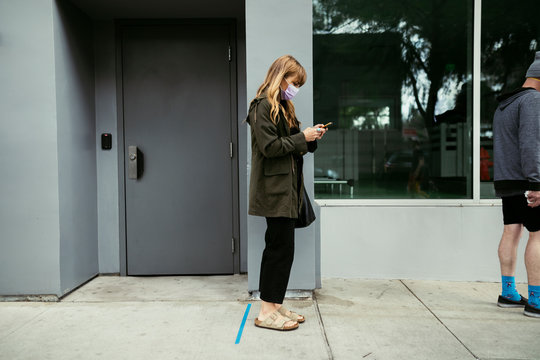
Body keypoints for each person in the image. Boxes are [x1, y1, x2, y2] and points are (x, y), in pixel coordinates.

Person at [245, 55, 327, 331]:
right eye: (294, 83)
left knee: (284, 249)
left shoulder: (282, 106)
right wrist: (301, 137)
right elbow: (270, 147)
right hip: (273, 191)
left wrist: (311, 137)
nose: (295, 89)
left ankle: (275, 304)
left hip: (287, 190)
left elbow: (293, 144)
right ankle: (266, 311)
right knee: (278, 249)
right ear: (280, 78)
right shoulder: (261, 107)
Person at [493, 51, 540, 318]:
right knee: (538, 234)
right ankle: (536, 299)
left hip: (508, 178)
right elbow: (531, 143)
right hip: (527, 180)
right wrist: (536, 183)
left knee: (512, 231)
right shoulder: (533, 100)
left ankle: (508, 293)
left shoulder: (505, 104)